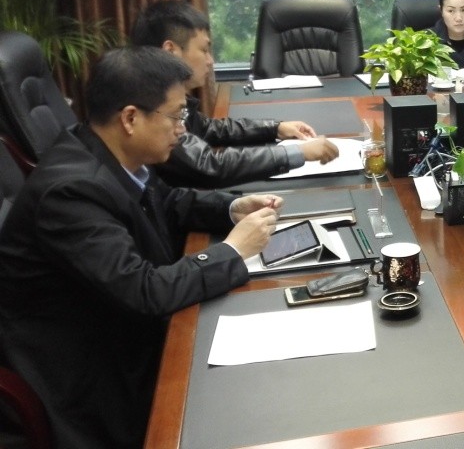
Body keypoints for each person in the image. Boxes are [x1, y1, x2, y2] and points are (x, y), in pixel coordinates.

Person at [0, 47, 282, 448]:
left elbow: (168, 202)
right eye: (176, 116)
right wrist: (233, 251)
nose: (183, 130)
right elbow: (144, 292)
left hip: (119, 329)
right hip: (94, 377)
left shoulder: (103, 150)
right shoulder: (70, 192)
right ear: (131, 118)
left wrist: (231, 208)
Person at [131, 0, 339, 188]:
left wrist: (275, 128)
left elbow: (207, 128)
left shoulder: (158, 90)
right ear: (170, 51)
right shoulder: (152, 105)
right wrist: (298, 152)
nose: (210, 61)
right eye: (204, 50)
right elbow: (210, 165)